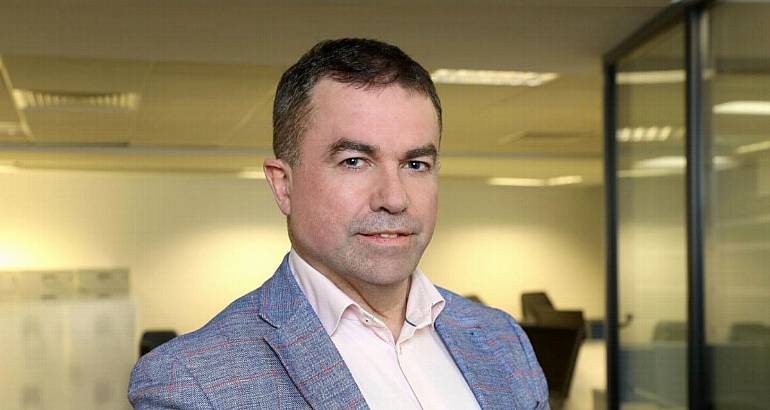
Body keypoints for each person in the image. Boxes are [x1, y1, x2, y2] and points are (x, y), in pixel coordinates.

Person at [128, 38, 548, 409]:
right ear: (283, 186)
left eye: (415, 164)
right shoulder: (193, 383)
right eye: (354, 162)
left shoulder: (502, 341)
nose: (394, 198)